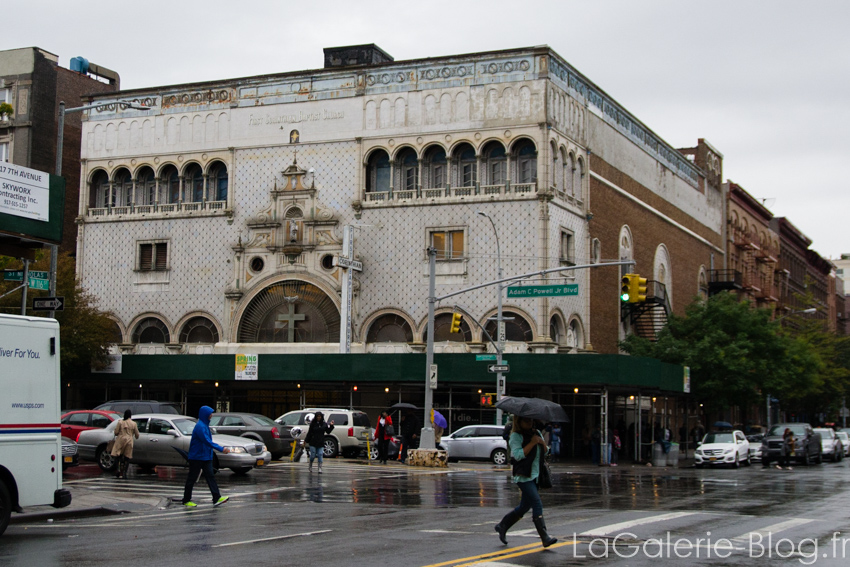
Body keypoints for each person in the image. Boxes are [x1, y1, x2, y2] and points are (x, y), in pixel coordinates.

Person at [494, 415, 557, 548]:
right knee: (536, 503)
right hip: (523, 476)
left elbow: (545, 452)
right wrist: (532, 443)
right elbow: (517, 455)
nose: (530, 422)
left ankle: (502, 526)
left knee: (524, 507)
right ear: (519, 421)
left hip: (536, 475)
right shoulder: (515, 436)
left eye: (531, 420)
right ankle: (545, 537)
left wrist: (541, 443)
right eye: (526, 420)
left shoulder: (536, 433)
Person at [182, 406, 231, 507]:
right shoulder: (200, 427)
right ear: (205, 414)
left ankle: (216, 497)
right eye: (210, 413)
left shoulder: (204, 425)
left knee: (210, 477)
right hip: (196, 457)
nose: (211, 415)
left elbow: (207, 442)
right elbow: (207, 441)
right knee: (192, 478)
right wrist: (221, 449)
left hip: (205, 457)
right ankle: (186, 500)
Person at [111, 409, 139, 479]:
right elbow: (137, 435)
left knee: (118, 456)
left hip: (120, 440)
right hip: (129, 441)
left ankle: (118, 469)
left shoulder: (120, 422)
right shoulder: (134, 424)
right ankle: (124, 473)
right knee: (127, 457)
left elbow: (116, 432)